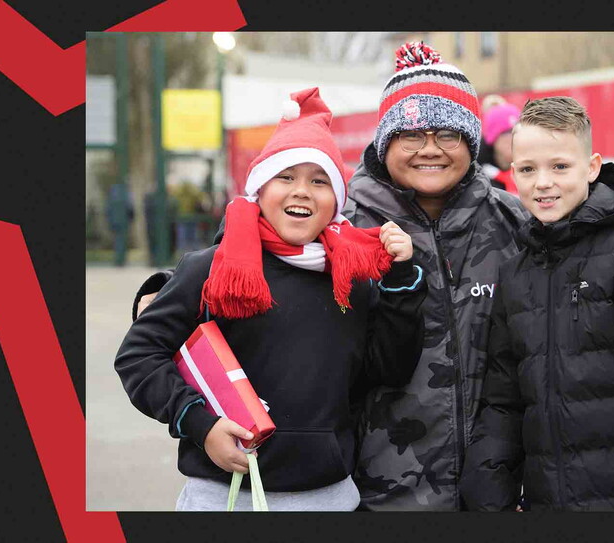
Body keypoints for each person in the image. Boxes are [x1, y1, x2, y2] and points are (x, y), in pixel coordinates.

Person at [133, 42, 529, 511]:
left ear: (471, 141)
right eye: (411, 135)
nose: (430, 150)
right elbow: (245, 249)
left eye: (448, 134)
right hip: (376, 485)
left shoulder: (513, 221)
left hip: (490, 481)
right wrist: (163, 290)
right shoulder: (338, 219)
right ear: (386, 142)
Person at [115, 88, 426, 511]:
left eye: (319, 181)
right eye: (286, 177)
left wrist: (401, 280)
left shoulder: (352, 279)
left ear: (336, 202)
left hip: (327, 496)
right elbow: (138, 355)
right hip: (222, 495)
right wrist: (200, 426)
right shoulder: (209, 269)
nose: (302, 191)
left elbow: (389, 368)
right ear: (259, 191)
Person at [459, 96, 614, 511]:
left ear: (592, 167)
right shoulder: (516, 271)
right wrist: (490, 502)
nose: (543, 182)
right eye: (527, 169)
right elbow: (502, 403)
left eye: (560, 166)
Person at [480, 98, 521, 195]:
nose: (512, 137)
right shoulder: (479, 177)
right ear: (493, 139)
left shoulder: (533, 167)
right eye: (506, 132)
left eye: (516, 131)